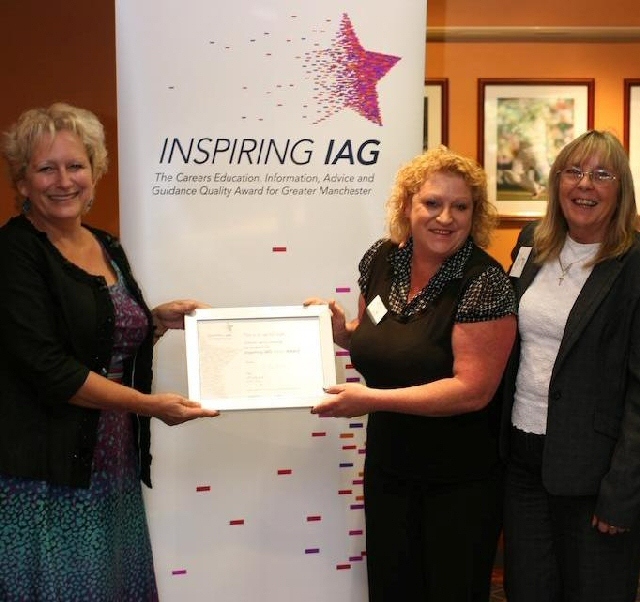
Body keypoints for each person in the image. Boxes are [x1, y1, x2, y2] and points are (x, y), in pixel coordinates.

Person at [0, 102, 219, 601]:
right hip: (47, 478)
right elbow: (49, 369)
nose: (63, 180)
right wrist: (149, 406)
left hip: (112, 466)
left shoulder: (106, 245)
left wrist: (155, 323)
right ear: (23, 182)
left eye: (75, 165)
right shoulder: (14, 253)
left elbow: (101, 340)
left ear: (95, 171)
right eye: (45, 167)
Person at [305, 146, 517, 601]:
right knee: (391, 588)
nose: (446, 217)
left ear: (474, 214)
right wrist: (344, 333)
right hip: (389, 467)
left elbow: (472, 391)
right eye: (432, 203)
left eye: (461, 206)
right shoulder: (382, 260)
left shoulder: (485, 280)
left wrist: (372, 400)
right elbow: (381, 341)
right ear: (407, 205)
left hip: (459, 481)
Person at [501, 130, 640, 602]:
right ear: (557, 181)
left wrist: (623, 492)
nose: (586, 185)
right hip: (522, 463)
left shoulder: (635, 263)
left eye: (602, 175)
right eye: (574, 171)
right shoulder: (530, 244)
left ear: (621, 189)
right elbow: (498, 331)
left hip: (594, 477)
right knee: (528, 590)